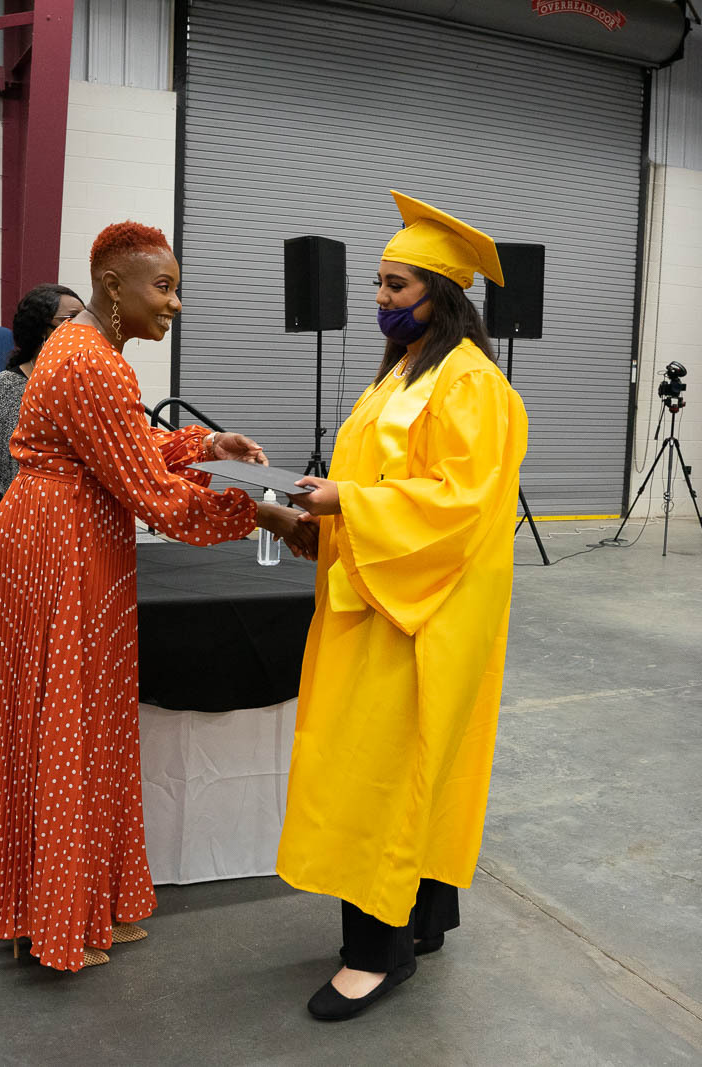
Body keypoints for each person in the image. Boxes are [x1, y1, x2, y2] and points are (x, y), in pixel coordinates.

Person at [0, 221, 315, 971]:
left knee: (65, 725)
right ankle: (52, 917)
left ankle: (61, 906)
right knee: (63, 728)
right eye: (164, 286)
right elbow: (155, 497)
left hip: (60, 537)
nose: (175, 302)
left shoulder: (83, 348)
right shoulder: (95, 362)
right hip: (60, 548)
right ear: (113, 286)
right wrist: (262, 512)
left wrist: (204, 445)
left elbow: (121, 443)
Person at [277, 192, 528, 1020]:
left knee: (381, 777)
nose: (381, 299)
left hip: (423, 611)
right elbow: (376, 482)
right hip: (378, 593)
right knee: (410, 771)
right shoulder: (404, 372)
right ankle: (422, 921)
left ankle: (376, 956)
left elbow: (457, 504)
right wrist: (313, 518)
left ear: (442, 294)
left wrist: (346, 502)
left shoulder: (471, 383)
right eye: (379, 284)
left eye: (397, 285)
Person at [0, 284, 85, 528]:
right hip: (19, 520)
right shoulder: (2, 388)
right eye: (72, 319)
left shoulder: (89, 386)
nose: (84, 327)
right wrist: (0, 525)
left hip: (81, 518)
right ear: (42, 329)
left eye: (85, 318)